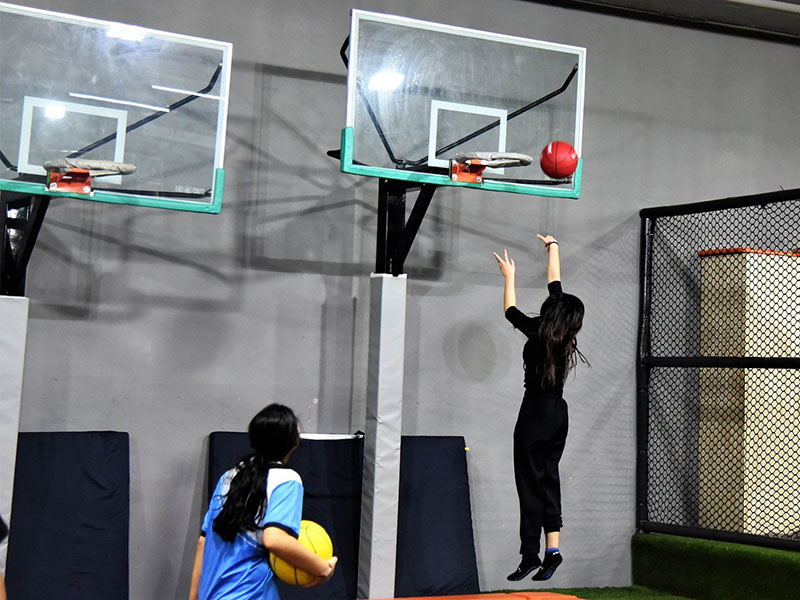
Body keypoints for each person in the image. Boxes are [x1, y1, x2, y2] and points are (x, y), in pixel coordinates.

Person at [493, 234, 586, 582]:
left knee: (528, 483)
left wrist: (509, 277)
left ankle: (529, 554)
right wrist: (554, 246)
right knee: (549, 478)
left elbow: (509, 310)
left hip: (533, 414)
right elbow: (555, 283)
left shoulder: (537, 332)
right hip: (559, 415)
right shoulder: (563, 337)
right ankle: (553, 551)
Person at [189, 404, 337, 600]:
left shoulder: (230, 477)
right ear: (295, 440)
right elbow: (274, 539)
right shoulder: (287, 479)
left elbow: (203, 541)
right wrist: (322, 568)